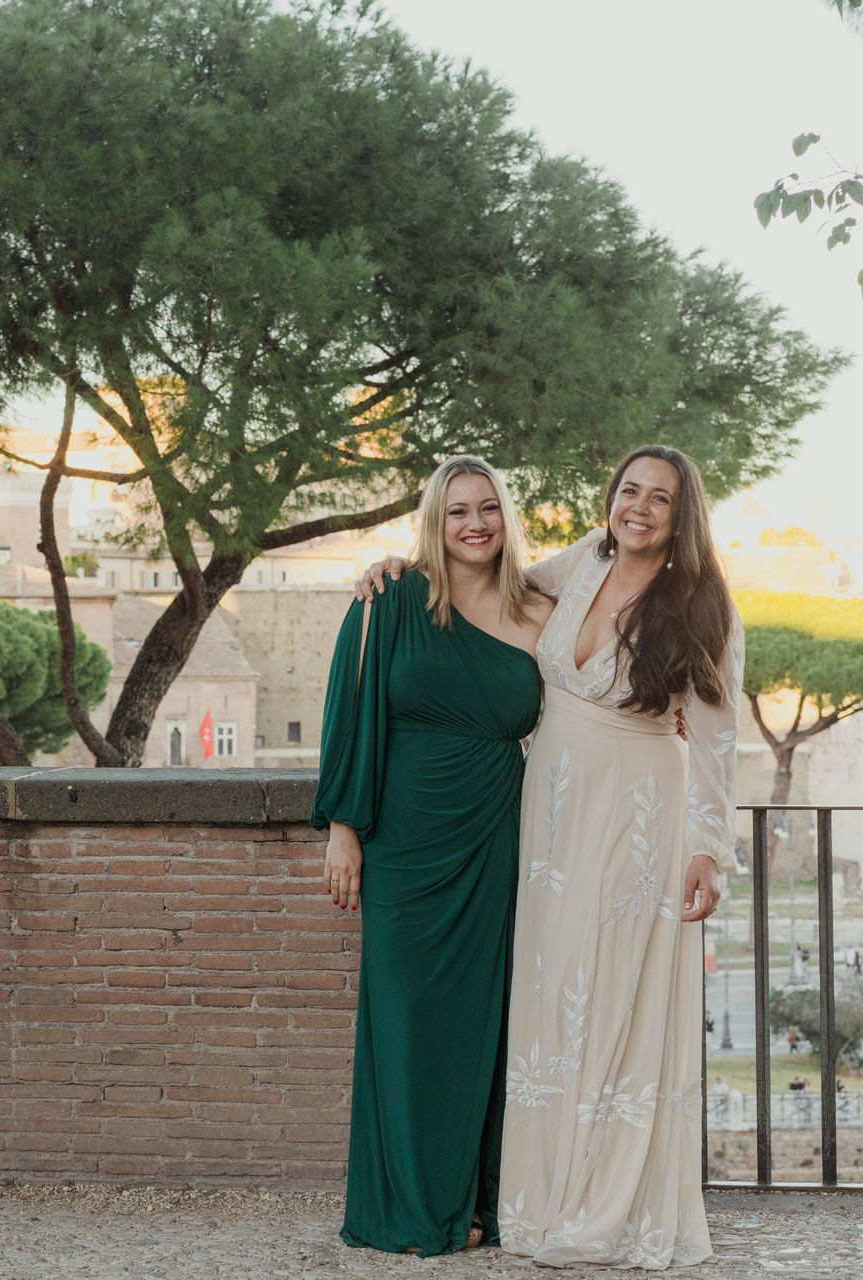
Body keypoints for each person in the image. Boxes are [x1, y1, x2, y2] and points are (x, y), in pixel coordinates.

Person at [359, 444, 739, 1268]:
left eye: (660, 498)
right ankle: (542, 1193)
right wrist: (402, 566)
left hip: (640, 811)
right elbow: (488, 581)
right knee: (550, 989)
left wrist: (708, 850)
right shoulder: (582, 562)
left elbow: (716, 737)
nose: (639, 507)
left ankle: (607, 1199)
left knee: (619, 993)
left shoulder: (701, 602)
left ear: (682, 515)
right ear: (611, 498)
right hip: (550, 813)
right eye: (629, 490)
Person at [314, 455, 551, 1257]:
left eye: (488, 508)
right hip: (403, 843)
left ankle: (474, 1203)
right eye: (457, 511)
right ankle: (413, 1208)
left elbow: (602, 692)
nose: (474, 524)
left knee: (483, 1023)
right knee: (406, 1020)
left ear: (506, 516)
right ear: (434, 521)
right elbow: (348, 708)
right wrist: (343, 827)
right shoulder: (389, 598)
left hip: (494, 839)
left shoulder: (541, 615)